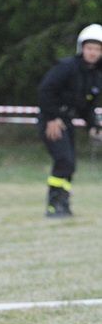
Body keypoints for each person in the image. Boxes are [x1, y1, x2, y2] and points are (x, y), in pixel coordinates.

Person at [37, 23, 102, 217]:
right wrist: (52, 117)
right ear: (82, 48)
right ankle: (53, 205)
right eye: (90, 48)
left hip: (67, 121)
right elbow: (45, 90)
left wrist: (93, 126)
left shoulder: (95, 75)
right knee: (64, 160)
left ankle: (63, 203)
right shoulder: (67, 67)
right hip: (52, 121)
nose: (93, 52)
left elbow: (87, 106)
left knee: (70, 165)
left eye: (97, 49)